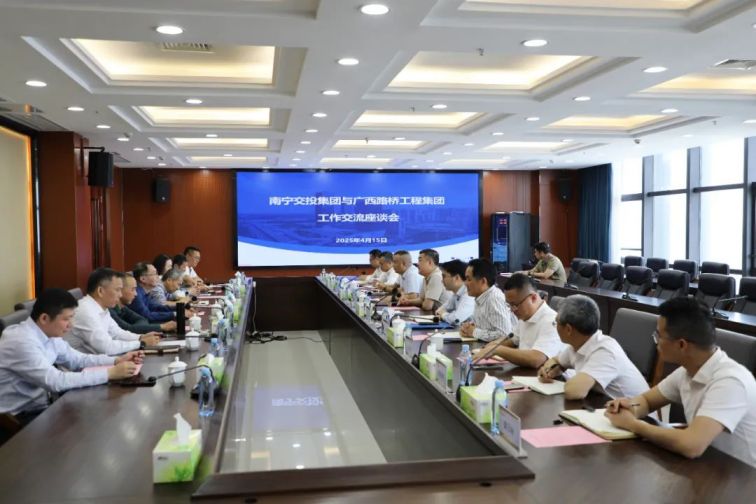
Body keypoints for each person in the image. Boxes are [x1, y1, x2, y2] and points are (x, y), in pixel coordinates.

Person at [605, 298, 755, 467]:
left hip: (743, 476)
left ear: (682, 345)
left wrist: (633, 425)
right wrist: (629, 407)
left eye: (659, 336)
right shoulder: (687, 371)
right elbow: (647, 400)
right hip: (708, 465)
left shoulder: (730, 381)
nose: (656, 342)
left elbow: (692, 445)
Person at [0, 289, 143, 432]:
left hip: (44, 404)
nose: (71, 325)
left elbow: (78, 360)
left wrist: (116, 360)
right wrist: (109, 373)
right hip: (17, 418)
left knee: (103, 418)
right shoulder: (21, 341)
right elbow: (56, 381)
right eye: (66, 319)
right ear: (44, 318)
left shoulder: (48, 332)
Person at [538, 295, 648, 400]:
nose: (555, 326)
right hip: (606, 405)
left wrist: (570, 378)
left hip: (636, 411)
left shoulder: (605, 351)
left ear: (568, 329)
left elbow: (574, 392)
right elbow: (556, 361)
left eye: (556, 323)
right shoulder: (579, 343)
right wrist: (549, 370)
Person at [473, 273, 563, 368]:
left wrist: (497, 350)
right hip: (526, 372)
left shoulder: (551, 321)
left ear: (533, 298)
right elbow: (512, 339)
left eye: (515, 305)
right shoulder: (525, 316)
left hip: (548, 375)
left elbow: (536, 359)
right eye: (509, 305)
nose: (512, 310)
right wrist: (494, 345)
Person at [65, 269, 160, 355]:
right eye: (117, 290)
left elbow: (117, 333)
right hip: (82, 367)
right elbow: (107, 348)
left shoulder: (102, 307)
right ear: (100, 291)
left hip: (99, 360)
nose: (120, 295)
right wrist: (141, 343)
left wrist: (140, 337)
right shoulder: (86, 311)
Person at [460, 258, 517, 342]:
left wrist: (474, 332)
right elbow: (486, 325)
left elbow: (505, 335)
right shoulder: (480, 297)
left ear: (483, 281)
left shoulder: (495, 299)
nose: (465, 283)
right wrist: (468, 327)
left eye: (469, 279)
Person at [111, 274, 177, 334]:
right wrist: (163, 326)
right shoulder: (110, 311)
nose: (135, 294)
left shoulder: (123, 307)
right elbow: (129, 329)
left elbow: (143, 319)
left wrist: (138, 328)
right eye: (133, 289)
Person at [436, 259, 474, 326]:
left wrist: (443, 314)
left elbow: (456, 319)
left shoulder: (469, 294)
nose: (442, 281)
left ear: (456, 278)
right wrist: (445, 314)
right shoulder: (456, 293)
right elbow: (439, 311)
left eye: (444, 276)